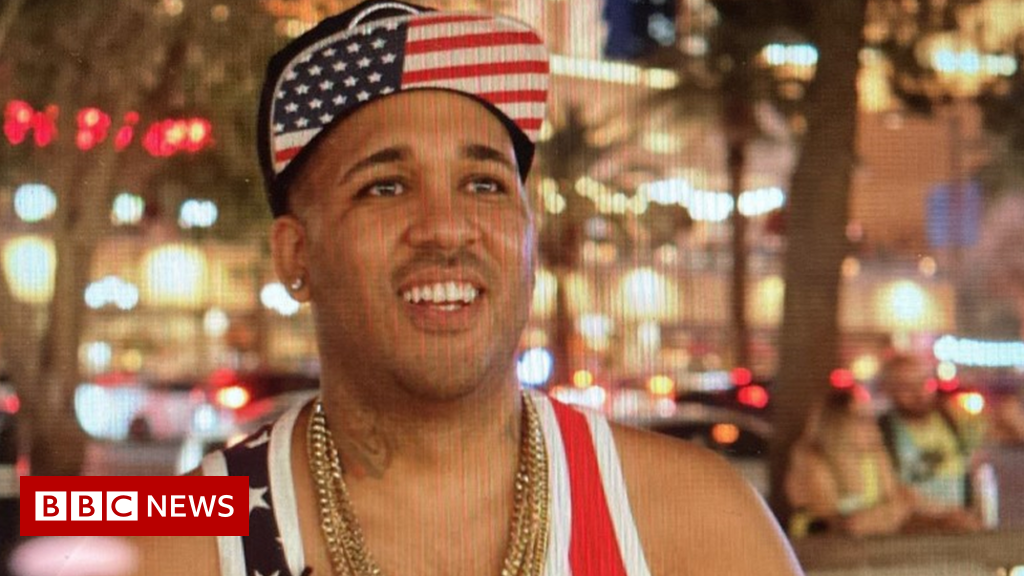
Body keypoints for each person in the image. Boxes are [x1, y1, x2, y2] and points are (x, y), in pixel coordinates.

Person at [125, 1, 804, 574]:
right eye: (384, 187)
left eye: (484, 184)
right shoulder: (179, 539)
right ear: (295, 255)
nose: (446, 228)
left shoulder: (692, 522)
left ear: (529, 232)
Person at [785, 387, 915, 538]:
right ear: (836, 423)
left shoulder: (875, 455)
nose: (873, 426)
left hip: (869, 543)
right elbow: (834, 523)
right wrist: (885, 515)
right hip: (814, 544)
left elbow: (900, 501)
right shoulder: (812, 460)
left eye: (872, 418)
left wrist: (881, 516)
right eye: (862, 419)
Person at [876, 354, 983, 533]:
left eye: (924, 382)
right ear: (888, 390)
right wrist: (941, 519)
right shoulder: (881, 433)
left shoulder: (951, 419)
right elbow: (890, 491)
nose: (918, 393)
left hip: (960, 531)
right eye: (906, 387)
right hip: (912, 535)